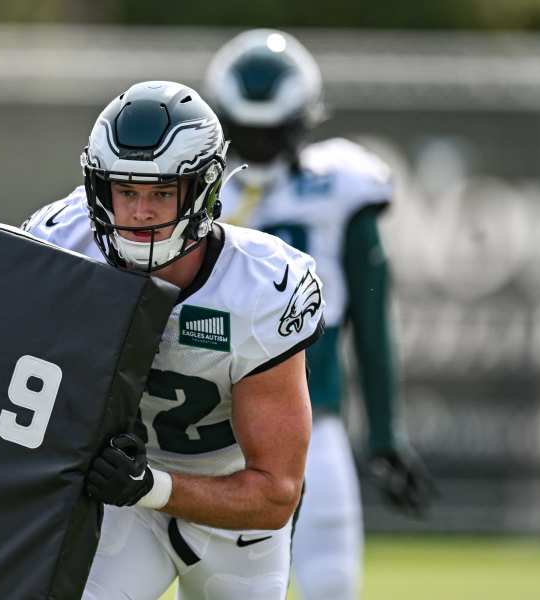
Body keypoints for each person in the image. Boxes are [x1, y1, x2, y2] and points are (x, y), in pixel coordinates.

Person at [23, 80, 323, 600]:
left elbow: (276, 491)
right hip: (119, 499)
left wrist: (149, 485)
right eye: (127, 191)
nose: (141, 213)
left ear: (204, 190)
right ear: (99, 188)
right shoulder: (63, 242)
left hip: (233, 511)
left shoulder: (258, 291)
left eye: (162, 193)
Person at [204, 29, 437, 600]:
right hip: (212, 428)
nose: (258, 145)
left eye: (269, 131)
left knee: (327, 583)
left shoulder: (340, 186)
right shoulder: (199, 193)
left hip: (305, 418)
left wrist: (385, 432)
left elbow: (374, 317)